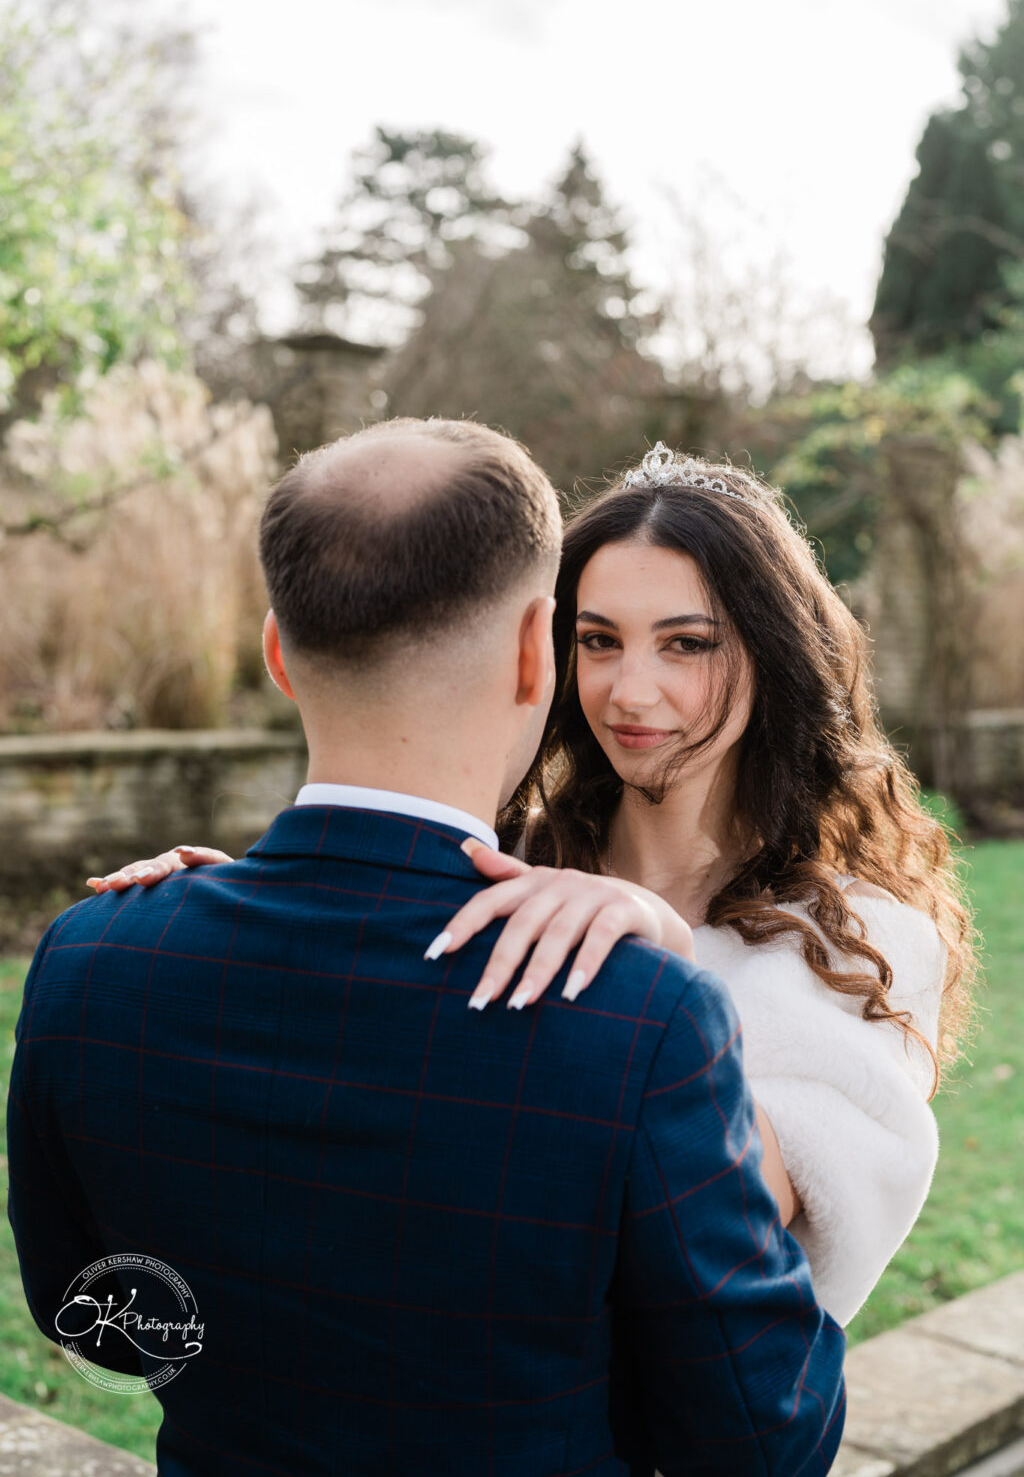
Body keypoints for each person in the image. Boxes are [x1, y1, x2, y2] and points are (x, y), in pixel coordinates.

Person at [7, 419, 845, 1477]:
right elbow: (764, 1439)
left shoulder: (90, 958)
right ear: (538, 649)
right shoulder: (641, 1015)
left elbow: (90, 1323)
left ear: (276, 652)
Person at [104, 442, 977, 1329]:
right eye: (599, 641)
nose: (632, 690)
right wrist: (251, 914)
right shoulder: (502, 858)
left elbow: (752, 1216)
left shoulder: (855, 935)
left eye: (687, 644)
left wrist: (662, 951)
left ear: (773, 653)